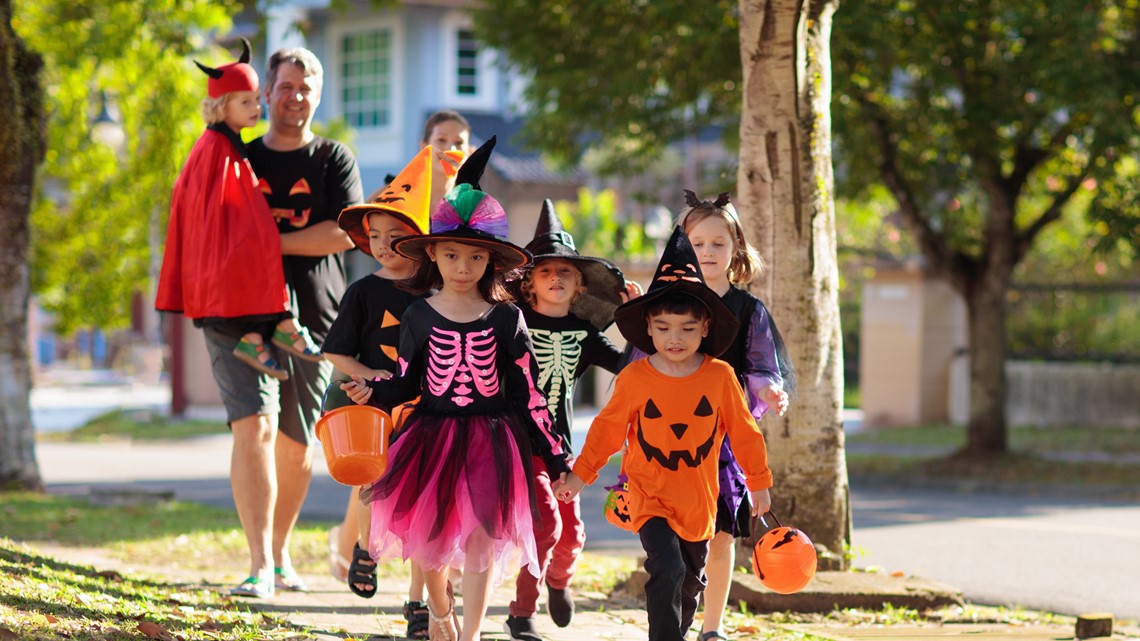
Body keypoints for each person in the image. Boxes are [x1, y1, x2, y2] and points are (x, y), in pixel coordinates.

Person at [340, 137, 569, 641]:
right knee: (432, 541)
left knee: (484, 541)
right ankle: (439, 609)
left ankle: (470, 636)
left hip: (493, 440)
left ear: (490, 261)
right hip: (432, 437)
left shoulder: (507, 318)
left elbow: (529, 392)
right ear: (434, 256)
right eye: (451, 255)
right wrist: (373, 394)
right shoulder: (419, 314)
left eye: (473, 257)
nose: (462, 268)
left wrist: (556, 459)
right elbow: (407, 380)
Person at [554, 227, 775, 641]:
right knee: (666, 567)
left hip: (698, 500)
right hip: (648, 493)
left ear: (705, 328)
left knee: (690, 584)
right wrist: (579, 476)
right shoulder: (637, 377)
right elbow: (607, 431)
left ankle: (680, 629)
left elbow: (745, 433)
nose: (675, 338)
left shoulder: (721, 377)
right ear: (649, 330)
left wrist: (759, 482)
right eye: (665, 328)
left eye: (687, 329)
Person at [203, 45, 360, 598]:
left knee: (296, 444)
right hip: (236, 315)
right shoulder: (236, 156)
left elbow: (342, 231)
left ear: (317, 96)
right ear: (265, 92)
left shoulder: (333, 159)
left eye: (305, 88)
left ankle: (279, 549)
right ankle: (258, 564)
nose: (294, 97)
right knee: (255, 428)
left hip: (314, 319)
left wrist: (266, 242)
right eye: (285, 86)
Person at [328, 110, 475, 641]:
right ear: (366, 240)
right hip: (375, 405)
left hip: (428, 406)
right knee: (374, 486)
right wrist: (368, 376)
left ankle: (419, 600)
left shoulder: (435, 288)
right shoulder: (363, 292)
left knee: (427, 503)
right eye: (377, 236)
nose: (387, 245)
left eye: (399, 235)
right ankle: (363, 549)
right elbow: (338, 352)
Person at [503, 201, 640, 641]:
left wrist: (637, 322)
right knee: (547, 524)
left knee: (571, 534)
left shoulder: (584, 332)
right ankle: (521, 613)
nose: (556, 278)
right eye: (545, 272)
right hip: (520, 444)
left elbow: (627, 366)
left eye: (565, 272)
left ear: (579, 284)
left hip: (561, 447)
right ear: (529, 282)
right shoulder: (513, 323)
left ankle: (559, 583)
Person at [155, 38, 323, 382]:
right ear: (221, 105)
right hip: (222, 261)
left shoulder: (227, 144)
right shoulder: (213, 149)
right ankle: (262, 333)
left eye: (255, 99)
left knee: (262, 251)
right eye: (246, 101)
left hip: (237, 252)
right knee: (257, 252)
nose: (256, 107)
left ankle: (276, 326)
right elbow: (214, 212)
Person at [676, 190, 794, 641]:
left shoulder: (749, 310)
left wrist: (769, 389)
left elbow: (762, 365)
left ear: (736, 249)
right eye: (697, 243)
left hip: (725, 441)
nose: (707, 252)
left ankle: (712, 626)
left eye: (718, 243)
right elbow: (641, 366)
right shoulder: (669, 303)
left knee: (722, 534)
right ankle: (676, 619)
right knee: (678, 538)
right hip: (672, 438)